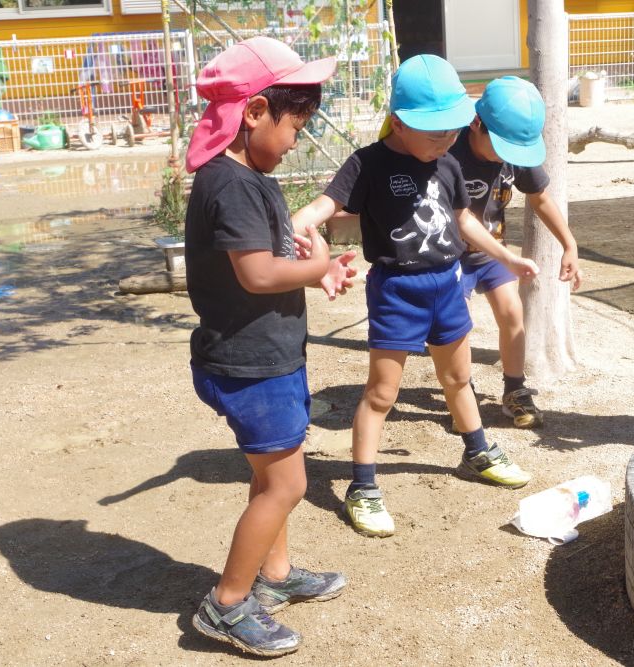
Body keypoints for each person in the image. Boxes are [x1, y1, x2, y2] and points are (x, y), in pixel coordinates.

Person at [292, 55, 540, 538]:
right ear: (401, 122)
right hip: (397, 292)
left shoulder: (446, 161)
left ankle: (477, 451)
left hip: (447, 284)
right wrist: (302, 234)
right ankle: (361, 486)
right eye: (436, 133)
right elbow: (321, 209)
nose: (447, 142)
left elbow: (465, 219)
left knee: (459, 378)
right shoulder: (367, 163)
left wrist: (505, 256)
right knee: (382, 394)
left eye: (452, 131)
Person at [182, 37, 357, 657]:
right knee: (285, 485)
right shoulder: (229, 184)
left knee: (271, 476)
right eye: (294, 126)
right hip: (250, 363)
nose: (295, 140)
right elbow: (255, 275)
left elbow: (269, 259)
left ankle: (274, 578)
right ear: (254, 112)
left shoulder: (250, 176)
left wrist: (322, 270)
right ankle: (226, 605)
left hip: (268, 354)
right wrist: (313, 270)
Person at [447, 76, 582, 429]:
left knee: (512, 313)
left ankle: (514, 390)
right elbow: (460, 220)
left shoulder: (514, 148)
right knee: (456, 327)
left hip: (492, 251)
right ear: (477, 124)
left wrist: (569, 243)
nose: (509, 157)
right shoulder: (448, 152)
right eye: (502, 147)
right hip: (448, 255)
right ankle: (461, 390)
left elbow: (540, 198)